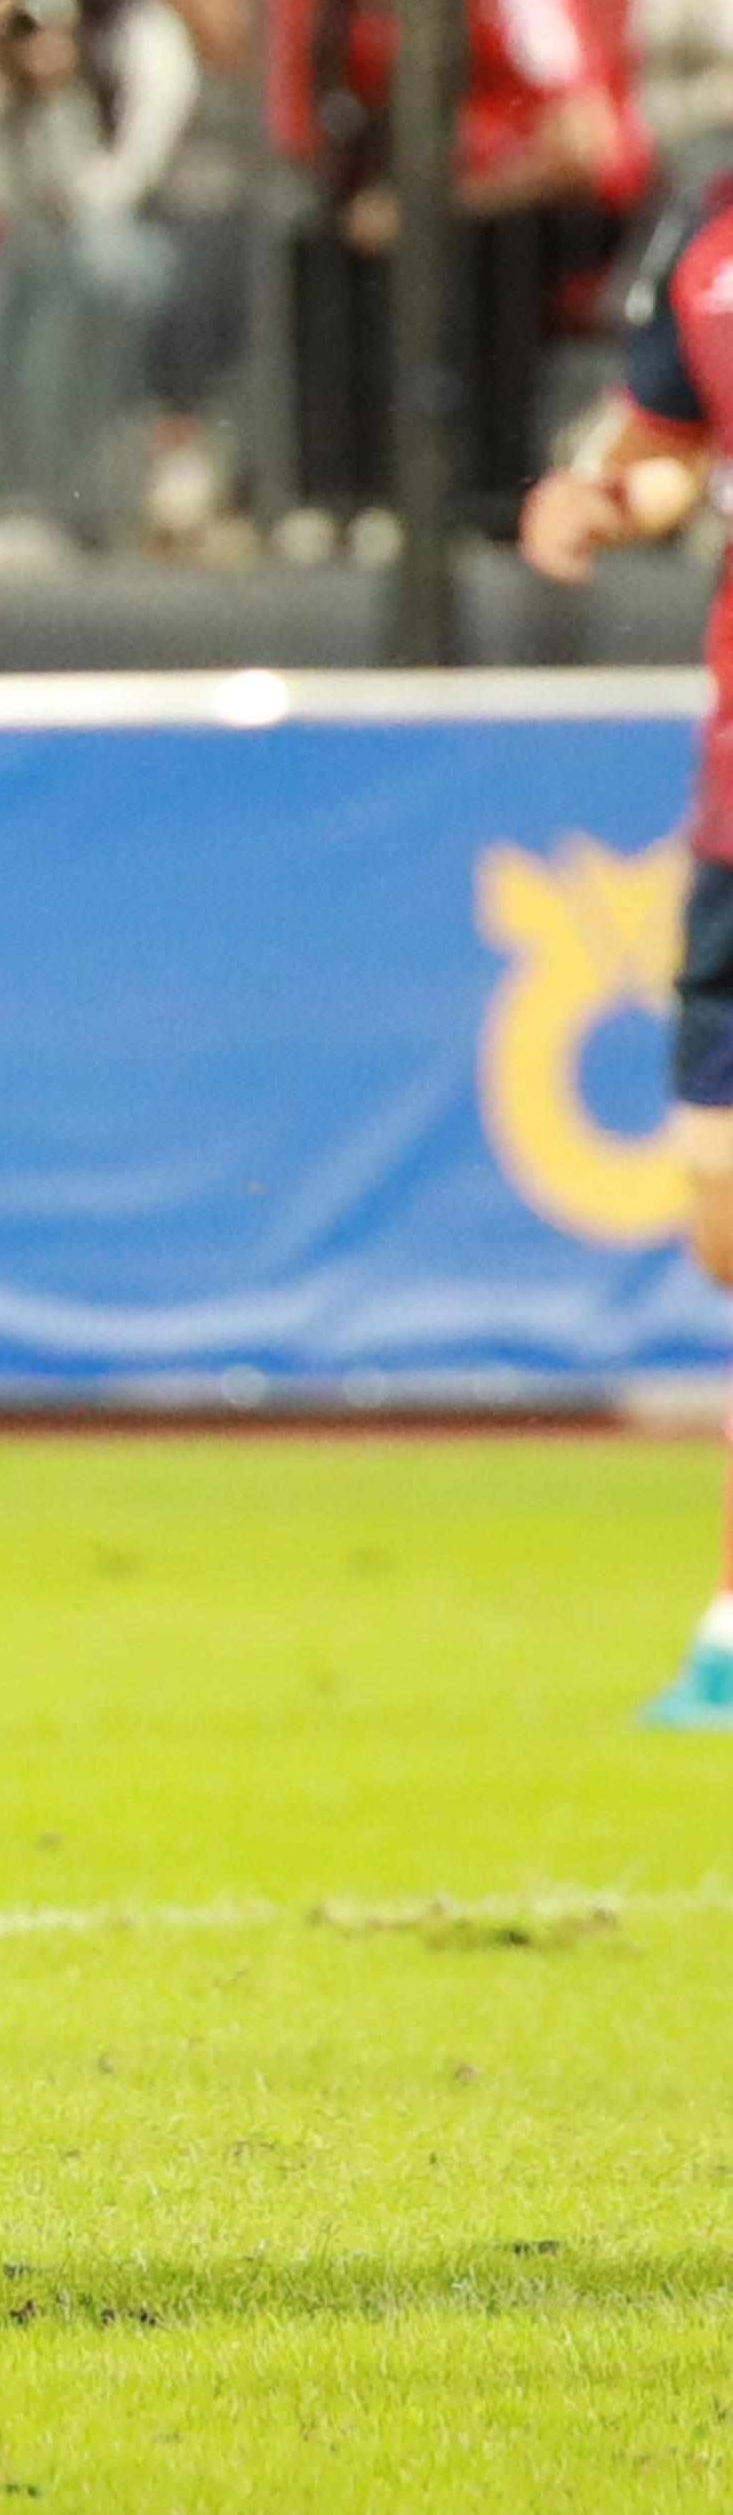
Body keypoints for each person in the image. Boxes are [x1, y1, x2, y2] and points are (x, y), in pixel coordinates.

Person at [517, 157, 733, 1728]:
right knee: (720, 1215)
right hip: (731, 818)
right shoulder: (714, 237)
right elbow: (669, 448)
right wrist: (598, 492)